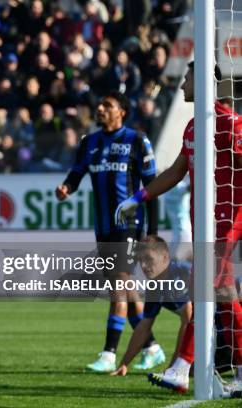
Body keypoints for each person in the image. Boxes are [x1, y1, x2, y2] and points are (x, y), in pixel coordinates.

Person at [115, 61, 242, 393]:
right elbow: (174, 173)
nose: (183, 83)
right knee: (225, 298)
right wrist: (137, 197)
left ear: (201, 81)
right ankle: (241, 371)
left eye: (187, 78)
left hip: (227, 220)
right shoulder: (193, 126)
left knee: (205, 289)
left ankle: (182, 367)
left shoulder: (230, 124)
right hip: (205, 224)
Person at [55, 90, 163, 373]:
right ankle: (151, 347)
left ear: (121, 112)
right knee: (126, 289)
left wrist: (151, 232)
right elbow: (77, 173)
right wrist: (67, 187)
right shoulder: (89, 143)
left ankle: (109, 354)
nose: (101, 108)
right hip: (102, 227)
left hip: (128, 225)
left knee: (119, 287)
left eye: (108, 105)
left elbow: (151, 188)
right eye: (100, 104)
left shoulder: (137, 140)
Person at [111, 236, 192, 381]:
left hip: (226, 328)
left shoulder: (180, 274)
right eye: (140, 260)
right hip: (211, 333)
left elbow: (189, 317)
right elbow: (144, 327)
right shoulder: (154, 286)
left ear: (165, 258)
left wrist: (175, 366)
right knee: (194, 370)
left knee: (193, 369)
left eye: (148, 258)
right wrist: (124, 364)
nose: (143, 265)